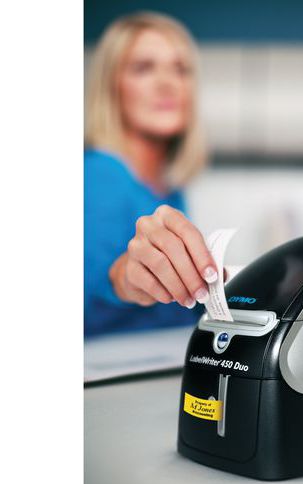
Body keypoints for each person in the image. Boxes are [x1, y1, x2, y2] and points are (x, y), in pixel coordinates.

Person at [84, 12, 217, 336]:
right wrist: (124, 277)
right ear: (111, 86)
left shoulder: (171, 191)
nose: (167, 83)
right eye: (143, 68)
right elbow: (94, 284)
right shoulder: (98, 176)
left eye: (181, 69)